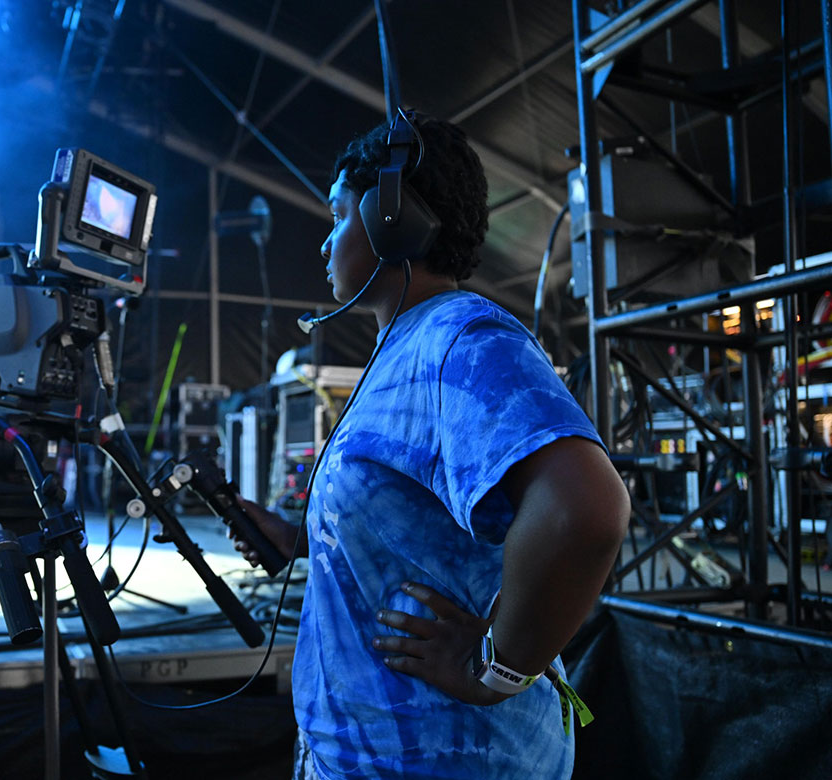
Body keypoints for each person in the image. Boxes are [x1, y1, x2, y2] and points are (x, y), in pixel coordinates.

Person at [233, 113, 630, 779]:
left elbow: (585, 508)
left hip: (446, 755)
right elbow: (427, 528)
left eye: (337, 216)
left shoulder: (463, 337)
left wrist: (497, 668)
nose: (325, 243)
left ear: (394, 218)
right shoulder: (406, 350)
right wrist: (304, 537)